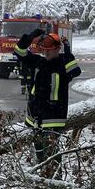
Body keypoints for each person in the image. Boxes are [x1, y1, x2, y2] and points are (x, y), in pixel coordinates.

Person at [13, 30, 81, 179]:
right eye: (44, 50)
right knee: (40, 156)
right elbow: (18, 51)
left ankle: (55, 183)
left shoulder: (63, 64)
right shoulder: (39, 62)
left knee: (52, 156)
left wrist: (68, 50)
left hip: (54, 117)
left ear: (57, 49)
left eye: (49, 51)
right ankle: (43, 184)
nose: (46, 53)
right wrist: (29, 37)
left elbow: (75, 71)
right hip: (36, 118)